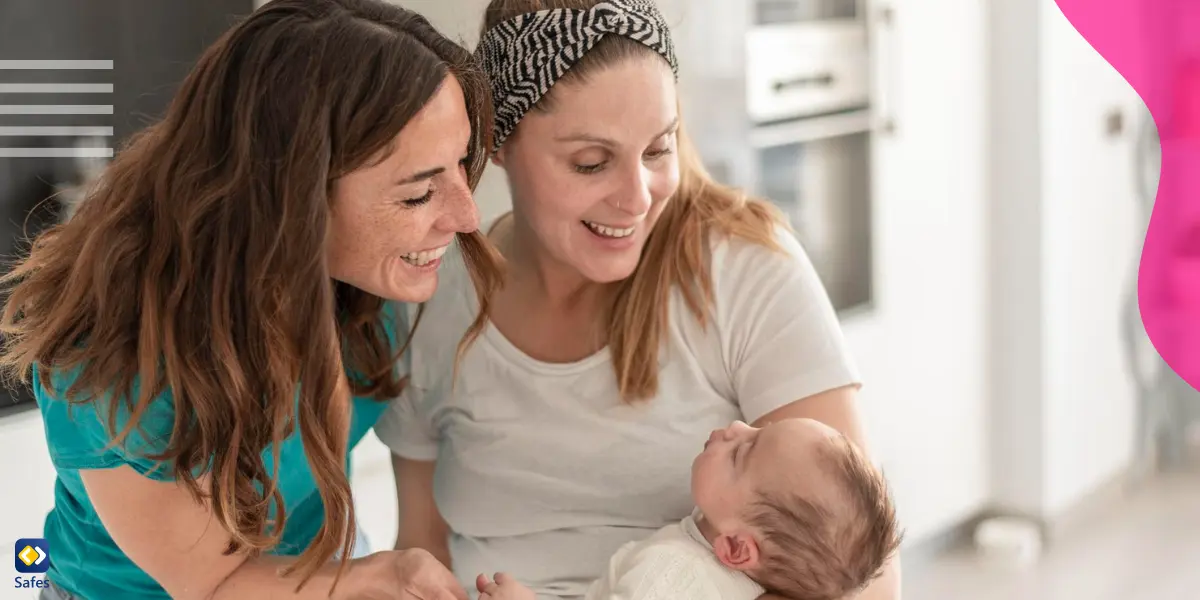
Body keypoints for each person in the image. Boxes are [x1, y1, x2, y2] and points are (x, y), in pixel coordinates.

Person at [377, 0, 902, 599]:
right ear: (496, 141)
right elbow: (419, 550)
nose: (638, 198)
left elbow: (862, 582)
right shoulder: (429, 295)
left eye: (659, 149)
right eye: (591, 163)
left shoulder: (743, 271)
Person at [0, 0, 503, 598]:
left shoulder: (368, 282)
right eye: (419, 194)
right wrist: (380, 576)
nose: (466, 216)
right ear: (292, 196)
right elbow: (213, 586)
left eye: (460, 164)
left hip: (317, 561)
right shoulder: (116, 361)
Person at [473, 418, 902, 600]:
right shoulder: (728, 578)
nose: (736, 427)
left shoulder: (673, 577)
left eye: (742, 452)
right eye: (758, 429)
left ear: (736, 547)